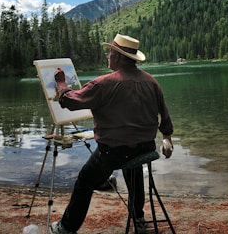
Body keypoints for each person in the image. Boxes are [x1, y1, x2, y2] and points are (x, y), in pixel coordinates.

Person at [51, 33, 174, 234]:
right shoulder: (151, 82)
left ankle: (65, 228)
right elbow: (165, 115)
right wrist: (167, 137)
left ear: (117, 57)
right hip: (144, 149)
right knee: (132, 169)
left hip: (114, 153)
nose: (108, 56)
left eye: (110, 52)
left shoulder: (104, 83)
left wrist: (61, 84)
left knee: (84, 181)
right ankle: (139, 219)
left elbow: (69, 101)